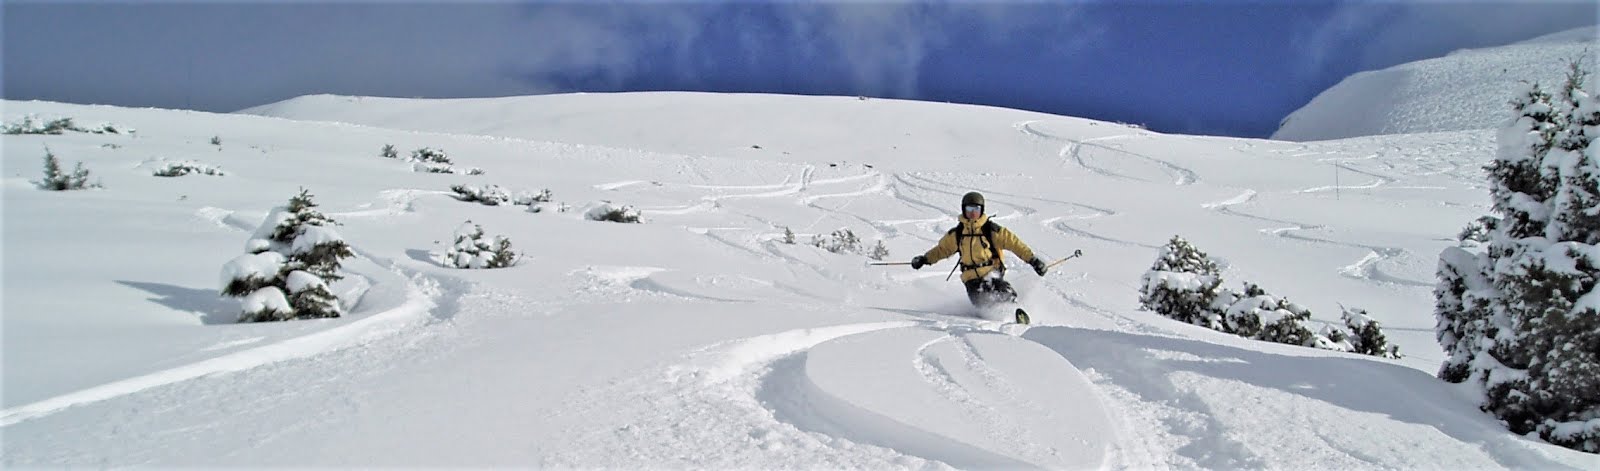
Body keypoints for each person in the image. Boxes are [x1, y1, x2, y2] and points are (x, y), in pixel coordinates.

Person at [910, 191, 1048, 322]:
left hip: (990, 272)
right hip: (971, 279)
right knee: (982, 301)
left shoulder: (991, 230)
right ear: (964, 210)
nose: (972, 213)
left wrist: (1033, 260)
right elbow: (941, 250)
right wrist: (924, 259)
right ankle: (996, 318)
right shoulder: (957, 233)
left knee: (1002, 291)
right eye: (969, 209)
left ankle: (1015, 313)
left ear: (981, 210)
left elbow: (1015, 244)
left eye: (976, 209)